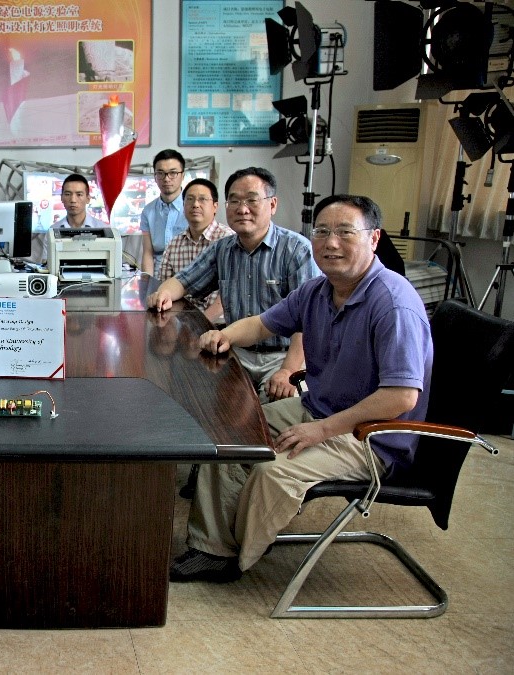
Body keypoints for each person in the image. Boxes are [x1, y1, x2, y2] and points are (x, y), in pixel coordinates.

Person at [170, 194, 433, 583]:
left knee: (272, 474)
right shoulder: (318, 290)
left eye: (345, 232)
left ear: (374, 238)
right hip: (318, 407)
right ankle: (211, 549)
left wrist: (321, 430)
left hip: (371, 435)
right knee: (228, 435)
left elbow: (401, 397)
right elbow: (262, 324)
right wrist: (225, 336)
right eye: (322, 232)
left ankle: (241, 551)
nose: (330, 243)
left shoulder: (393, 303)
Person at [148, 167, 320, 402]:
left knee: (278, 408)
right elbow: (183, 281)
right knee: (195, 395)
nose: (242, 209)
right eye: (235, 201)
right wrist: (163, 294)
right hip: (236, 351)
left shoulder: (297, 250)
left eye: (252, 200)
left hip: (283, 355)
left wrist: (288, 370)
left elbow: (308, 322)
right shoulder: (223, 249)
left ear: (272, 204)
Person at [157, 178, 234, 324]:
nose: (195, 204)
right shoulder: (174, 244)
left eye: (202, 199)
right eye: (190, 199)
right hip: (181, 323)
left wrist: (201, 324)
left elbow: (229, 296)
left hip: (219, 325)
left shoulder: (228, 240)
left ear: (215, 206)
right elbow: (164, 285)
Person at [31, 173, 101, 264]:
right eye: (68, 194)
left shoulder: (104, 229)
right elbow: (46, 264)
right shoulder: (53, 231)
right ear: (62, 198)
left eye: (79, 194)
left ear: (88, 198)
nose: (73, 200)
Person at [140, 149, 189, 276]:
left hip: (187, 276)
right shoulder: (148, 212)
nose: (166, 179)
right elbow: (147, 253)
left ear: (183, 176)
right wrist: (148, 283)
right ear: (155, 177)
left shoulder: (193, 208)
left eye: (173, 173)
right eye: (160, 173)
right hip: (158, 276)